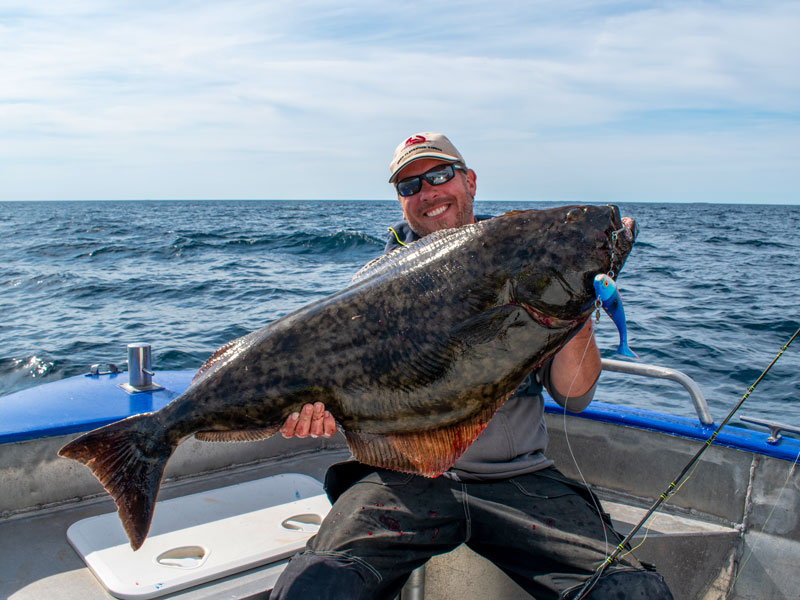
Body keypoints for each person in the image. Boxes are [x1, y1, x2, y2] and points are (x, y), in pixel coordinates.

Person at [271, 133, 673, 599]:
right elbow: (351, 394)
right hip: (405, 482)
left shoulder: (526, 257)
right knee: (317, 587)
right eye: (409, 186)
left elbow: (573, 394)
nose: (428, 193)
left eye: (440, 176)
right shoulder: (374, 289)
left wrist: (578, 304)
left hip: (518, 480)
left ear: (470, 181)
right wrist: (316, 415)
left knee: (631, 591)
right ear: (401, 202)